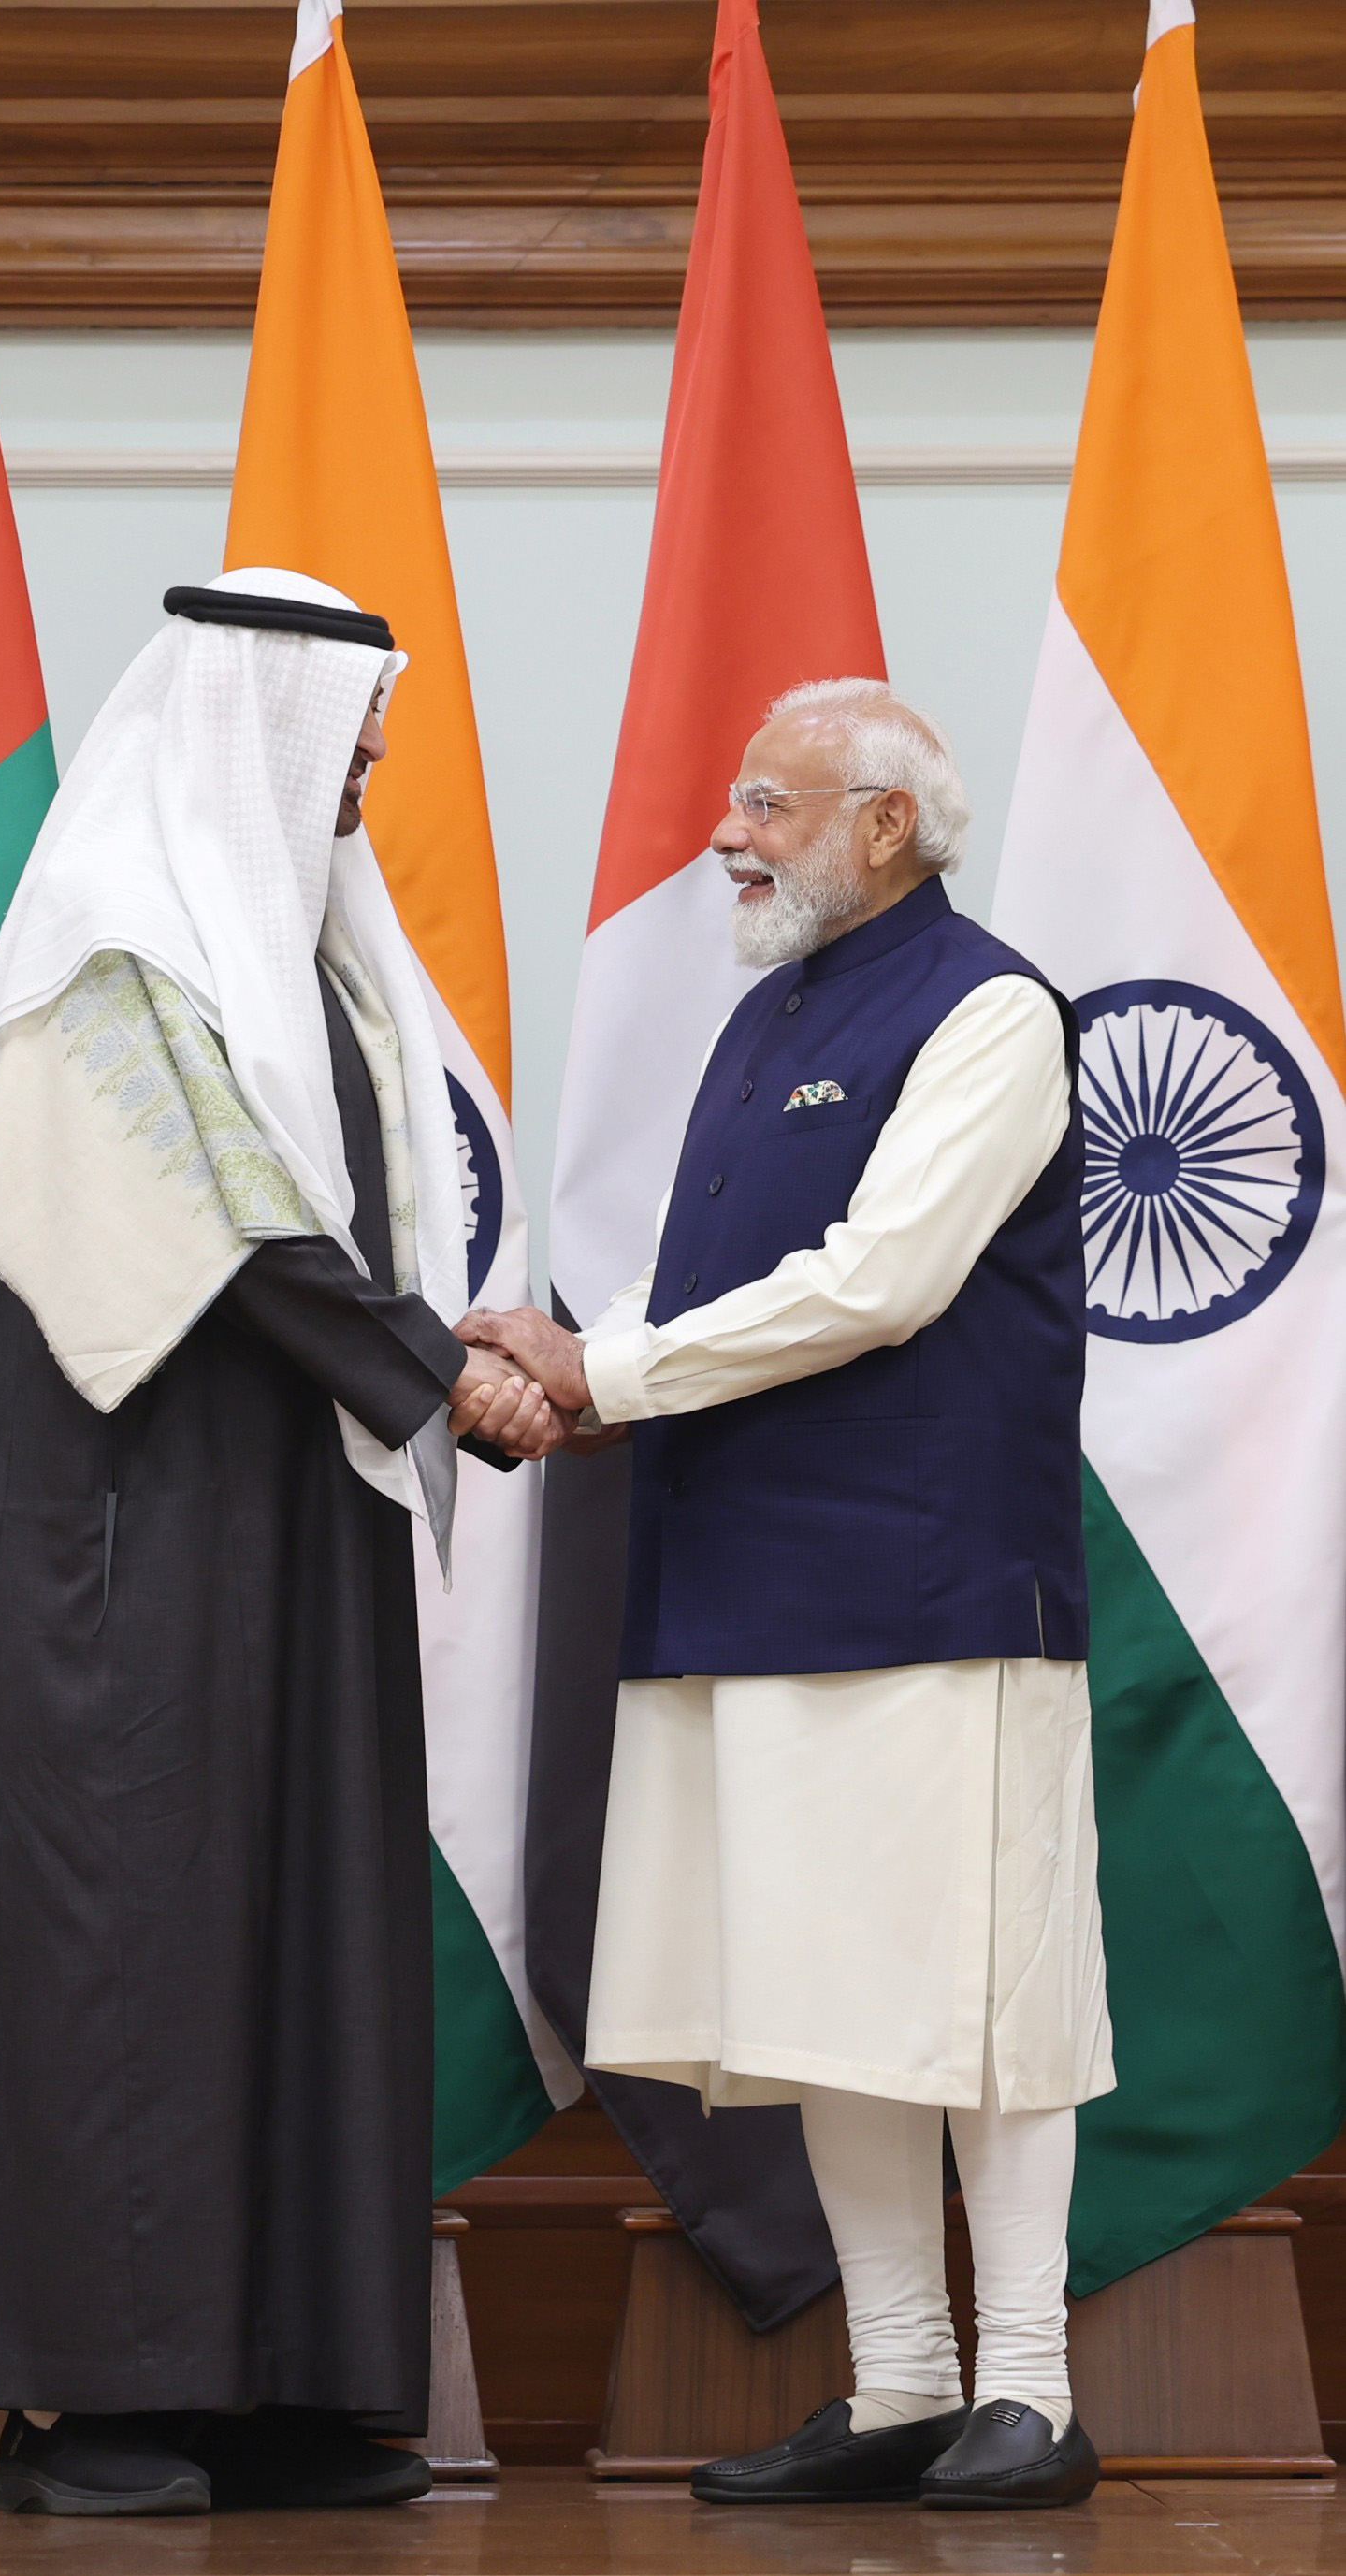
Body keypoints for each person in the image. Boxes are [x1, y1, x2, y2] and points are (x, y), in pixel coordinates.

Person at [0, 569, 558, 2517]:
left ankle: (284, 2385)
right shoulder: (113, 952)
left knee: (308, 1916)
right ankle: (89, 2405)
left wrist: (448, 1355)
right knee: (132, 1927)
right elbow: (236, 1222)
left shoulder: (312, 959)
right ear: (251, 726)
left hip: (301, 1514)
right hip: (133, 1527)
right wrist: (445, 1376)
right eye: (348, 742)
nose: (363, 778)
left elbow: (354, 1216)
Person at [461, 677, 1113, 2511]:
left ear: (888, 824)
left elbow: (883, 1280)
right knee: (833, 1991)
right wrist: (583, 1377)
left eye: (768, 803)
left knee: (982, 1989)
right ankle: (902, 2385)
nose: (726, 834)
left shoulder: (991, 1008)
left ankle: (1033, 2389)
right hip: (744, 1579)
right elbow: (709, 1293)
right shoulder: (768, 1015)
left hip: (932, 1589)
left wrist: (604, 1373)